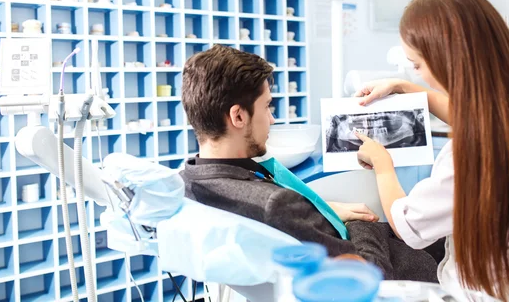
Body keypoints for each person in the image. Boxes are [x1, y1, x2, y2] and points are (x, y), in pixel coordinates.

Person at [354, 0, 509, 301]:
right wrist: (402, 87)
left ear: (448, 60)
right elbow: (471, 116)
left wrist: (383, 164)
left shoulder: (470, 153)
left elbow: (408, 226)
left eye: (417, 65)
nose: (419, 75)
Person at [179, 44, 441, 281]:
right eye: (267, 107)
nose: (271, 120)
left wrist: (322, 209)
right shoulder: (277, 205)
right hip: (405, 274)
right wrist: (361, 225)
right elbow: (367, 277)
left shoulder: (190, 181)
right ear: (238, 117)